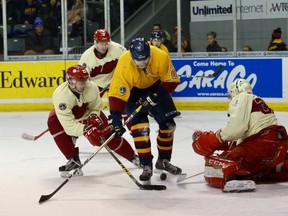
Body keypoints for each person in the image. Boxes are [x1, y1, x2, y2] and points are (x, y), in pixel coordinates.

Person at [191, 78, 288, 192]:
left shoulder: (241, 97)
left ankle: (237, 177)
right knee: (258, 166)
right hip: (277, 147)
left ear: (235, 90)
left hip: (260, 146)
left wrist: (217, 138)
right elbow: (244, 134)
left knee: (223, 159)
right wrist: (225, 143)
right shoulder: (255, 100)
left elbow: (237, 128)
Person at [108, 37, 182, 183]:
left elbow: (172, 81)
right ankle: (146, 165)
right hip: (133, 94)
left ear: (150, 54)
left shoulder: (161, 56)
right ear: (131, 56)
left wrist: (156, 95)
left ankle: (164, 161)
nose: (141, 63)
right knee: (140, 129)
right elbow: (116, 94)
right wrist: (115, 119)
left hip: (156, 89)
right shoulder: (124, 64)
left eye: (145, 59)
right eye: (137, 60)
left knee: (169, 126)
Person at [47, 64, 140, 178]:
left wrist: (93, 117)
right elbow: (69, 126)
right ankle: (73, 160)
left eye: (85, 80)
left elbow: (96, 107)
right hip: (72, 117)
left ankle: (133, 157)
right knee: (53, 121)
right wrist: (86, 129)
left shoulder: (92, 87)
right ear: (71, 81)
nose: (85, 83)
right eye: (80, 81)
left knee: (107, 137)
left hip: (87, 113)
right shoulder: (61, 96)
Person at [78, 29, 126, 95]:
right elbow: (83, 77)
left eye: (106, 43)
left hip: (113, 81)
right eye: (101, 44)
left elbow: (127, 59)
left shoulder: (118, 49)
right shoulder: (87, 56)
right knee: (92, 103)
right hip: (95, 84)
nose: (104, 47)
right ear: (96, 42)